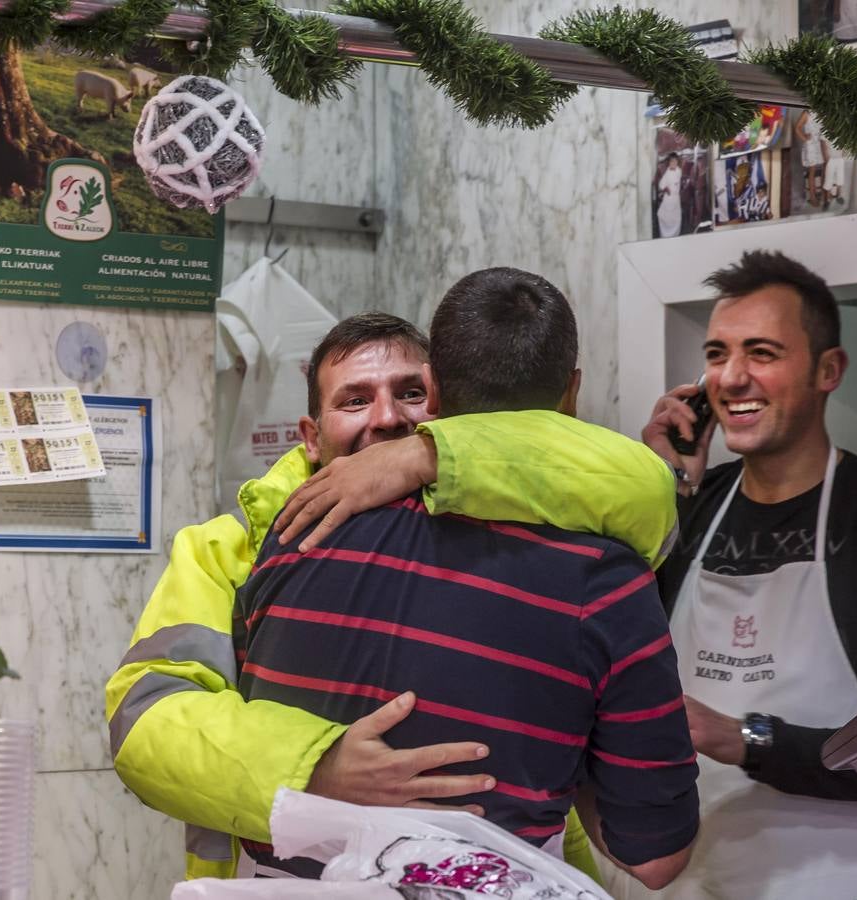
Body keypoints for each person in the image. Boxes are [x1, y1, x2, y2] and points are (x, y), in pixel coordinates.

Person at [105, 312, 680, 881]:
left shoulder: (521, 534)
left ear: (441, 403)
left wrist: (425, 455)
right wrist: (316, 768)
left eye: (409, 393)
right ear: (312, 437)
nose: (386, 419)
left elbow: (642, 488)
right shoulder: (237, 546)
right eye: (355, 401)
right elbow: (147, 720)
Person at [238, 268, 699, 887]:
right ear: (572, 392)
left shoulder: (294, 530)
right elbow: (654, 858)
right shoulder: (605, 581)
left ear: (431, 389)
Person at [640, 249, 857, 899]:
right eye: (716, 355)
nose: (732, 377)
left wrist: (747, 740)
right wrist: (658, 489)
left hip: (846, 884)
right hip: (684, 883)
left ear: (828, 370)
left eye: (761, 353)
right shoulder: (688, 507)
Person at [657, 153, 683, 238]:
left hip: (676, 199)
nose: (674, 163)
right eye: (672, 161)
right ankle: (665, 235)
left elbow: (677, 182)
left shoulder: (679, 171)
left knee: (676, 218)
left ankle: (675, 235)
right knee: (663, 215)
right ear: (669, 162)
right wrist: (665, 189)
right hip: (669, 198)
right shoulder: (667, 173)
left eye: (675, 161)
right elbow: (661, 185)